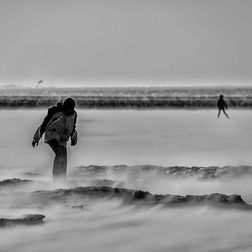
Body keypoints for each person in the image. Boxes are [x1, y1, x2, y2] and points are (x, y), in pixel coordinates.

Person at [32, 98, 77, 181]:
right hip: (52, 136)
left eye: (71, 109)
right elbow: (44, 124)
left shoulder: (74, 114)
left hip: (62, 140)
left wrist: (74, 138)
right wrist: (36, 138)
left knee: (64, 159)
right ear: (64, 106)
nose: (70, 111)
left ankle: (62, 179)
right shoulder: (56, 112)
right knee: (60, 155)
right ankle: (56, 179)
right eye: (68, 108)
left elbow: (73, 127)